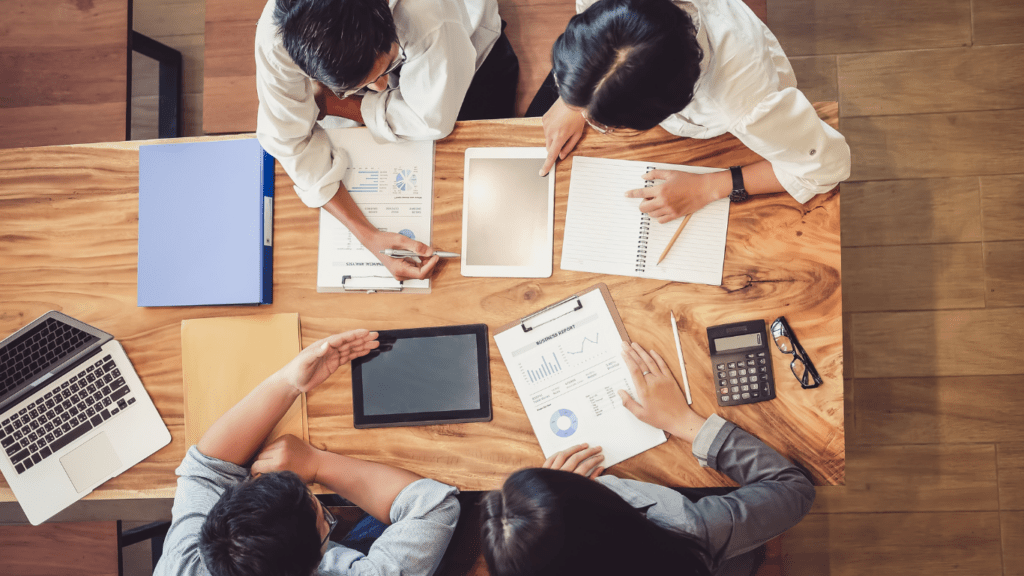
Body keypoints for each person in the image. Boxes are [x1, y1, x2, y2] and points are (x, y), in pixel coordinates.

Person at [480, 341, 816, 576]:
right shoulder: (688, 530)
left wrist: (547, 514)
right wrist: (684, 422)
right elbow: (793, 489)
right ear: (603, 511)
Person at [154, 329, 461, 576]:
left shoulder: (184, 564)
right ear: (318, 557)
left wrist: (288, 381)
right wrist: (317, 464)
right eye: (321, 515)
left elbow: (206, 470)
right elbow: (434, 504)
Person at [255, 0, 519, 280]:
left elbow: (432, 119)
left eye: (387, 67)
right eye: (361, 86)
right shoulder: (276, 40)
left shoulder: (424, 14)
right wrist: (368, 237)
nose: (381, 88)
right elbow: (289, 142)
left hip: (459, 39)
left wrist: (338, 104)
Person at [531, 0, 851, 224]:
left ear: (671, 103)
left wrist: (709, 187)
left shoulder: (746, 102)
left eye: (608, 123)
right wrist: (580, 92)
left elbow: (825, 167)